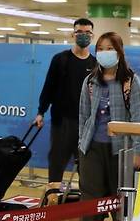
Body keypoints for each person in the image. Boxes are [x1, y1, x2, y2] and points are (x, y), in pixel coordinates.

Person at [64, 32, 140, 221]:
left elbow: (139, 119)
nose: (104, 52)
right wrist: (81, 145)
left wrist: (138, 153)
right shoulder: (90, 82)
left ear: (119, 52)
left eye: (109, 48)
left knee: (118, 201)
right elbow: (83, 116)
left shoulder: (131, 82)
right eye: (100, 48)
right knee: (89, 201)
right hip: (92, 149)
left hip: (121, 151)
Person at [35, 18, 97, 182]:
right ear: (73, 34)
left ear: (92, 35)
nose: (83, 35)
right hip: (61, 122)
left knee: (86, 166)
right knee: (56, 162)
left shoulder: (96, 64)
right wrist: (41, 111)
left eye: (87, 33)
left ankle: (87, 200)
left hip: (85, 125)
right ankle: (53, 198)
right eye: (79, 32)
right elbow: (49, 86)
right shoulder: (60, 59)